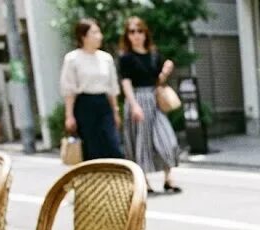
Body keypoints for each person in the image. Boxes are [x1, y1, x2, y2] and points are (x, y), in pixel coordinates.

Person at [119, 16, 181, 194]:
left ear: (145, 33)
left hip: (154, 99)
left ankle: (168, 178)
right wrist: (134, 105)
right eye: (132, 32)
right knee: (141, 142)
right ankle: (143, 182)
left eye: (139, 31)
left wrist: (165, 72)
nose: (136, 35)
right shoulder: (126, 58)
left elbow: (157, 80)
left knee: (167, 139)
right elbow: (126, 83)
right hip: (137, 99)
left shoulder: (154, 54)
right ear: (127, 36)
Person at [59, 19, 123, 161]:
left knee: (113, 147)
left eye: (99, 32)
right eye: (94, 32)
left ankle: (114, 181)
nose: (99, 36)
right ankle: (94, 182)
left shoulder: (106, 58)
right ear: (83, 36)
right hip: (84, 105)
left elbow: (112, 88)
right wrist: (69, 115)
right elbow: (69, 89)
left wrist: (115, 111)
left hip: (103, 103)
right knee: (91, 149)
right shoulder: (72, 58)